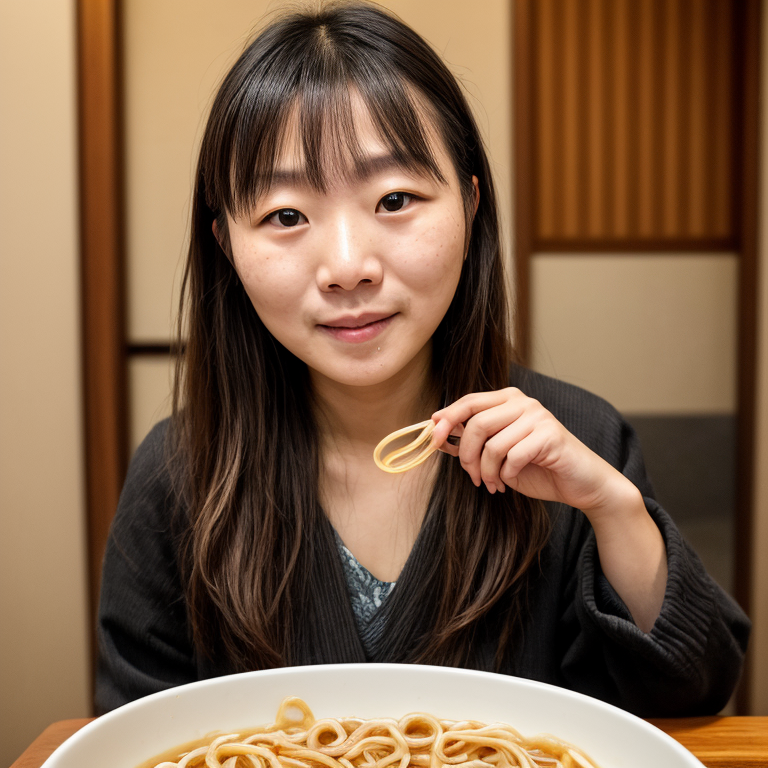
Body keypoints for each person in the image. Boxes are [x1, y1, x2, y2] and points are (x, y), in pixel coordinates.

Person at [96, 1, 749, 717]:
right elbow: (138, 734)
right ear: (226, 242)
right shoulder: (178, 474)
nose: (347, 267)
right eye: (286, 216)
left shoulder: (579, 439)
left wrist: (612, 508)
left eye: (396, 198)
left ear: (470, 207)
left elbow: (694, 701)